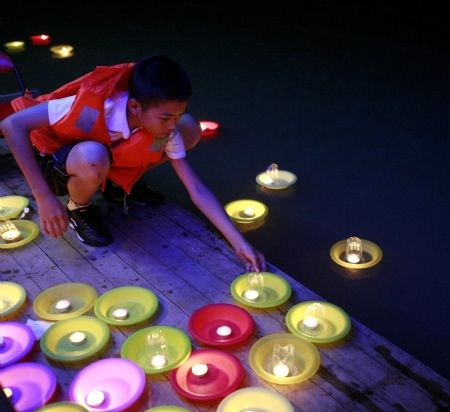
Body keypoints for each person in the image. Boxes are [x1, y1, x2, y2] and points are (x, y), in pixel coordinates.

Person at [1, 55, 265, 272]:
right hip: (60, 164)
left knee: (189, 128)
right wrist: (44, 197)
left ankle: (118, 185)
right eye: (165, 117)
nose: (171, 124)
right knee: (92, 156)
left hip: (106, 158)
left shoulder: (166, 127)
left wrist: (239, 242)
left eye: (177, 114)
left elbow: (195, 188)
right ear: (136, 106)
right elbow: (12, 124)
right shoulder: (93, 105)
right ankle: (78, 207)